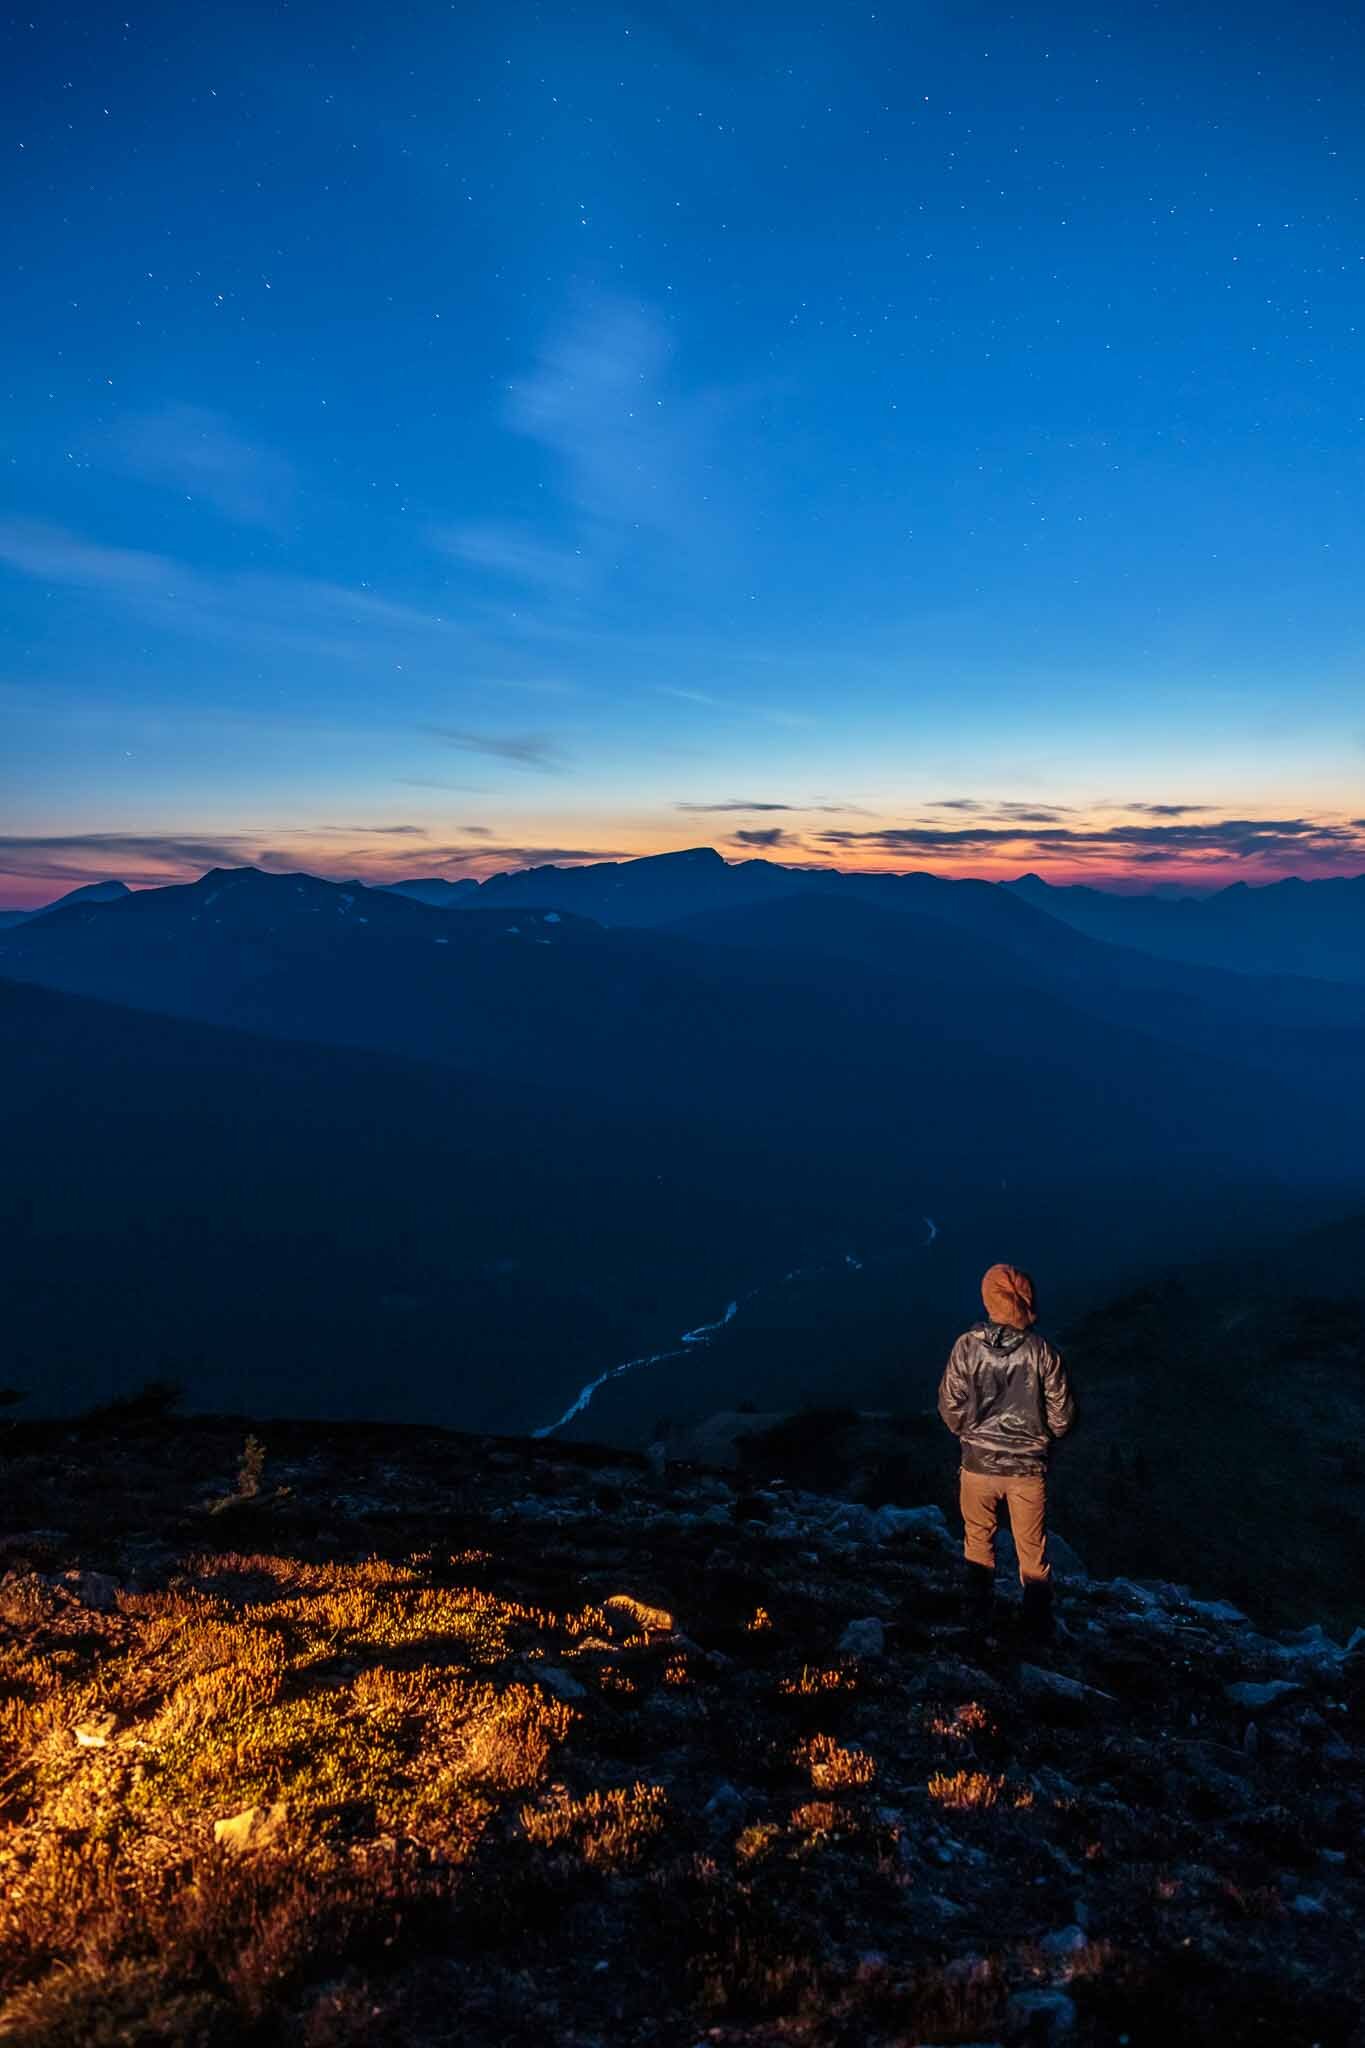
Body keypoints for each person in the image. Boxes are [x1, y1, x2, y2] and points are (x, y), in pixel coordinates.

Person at [937, 1263, 1075, 1644]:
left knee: (978, 1543)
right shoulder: (1043, 1352)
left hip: (977, 1466)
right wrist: (1042, 1438)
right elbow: (1062, 1416)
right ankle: (1036, 1631)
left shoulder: (966, 1346)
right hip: (1027, 1472)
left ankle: (978, 1621)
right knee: (1032, 1554)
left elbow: (949, 1405)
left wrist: (970, 1434)